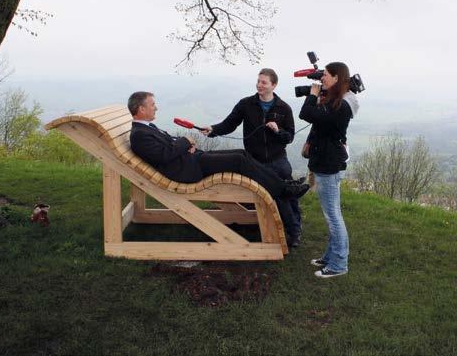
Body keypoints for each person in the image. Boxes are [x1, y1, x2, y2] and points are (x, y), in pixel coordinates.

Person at [128, 91, 310, 203]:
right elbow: (162, 155)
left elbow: (168, 146)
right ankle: (284, 191)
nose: (156, 108)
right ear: (141, 109)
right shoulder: (139, 135)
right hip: (188, 170)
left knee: (242, 154)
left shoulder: (146, 129)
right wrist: (186, 142)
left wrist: (186, 145)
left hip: (191, 159)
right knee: (239, 160)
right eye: (152, 105)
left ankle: (284, 184)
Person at [199, 68, 303, 247]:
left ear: (273, 85)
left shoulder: (284, 108)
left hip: (278, 159)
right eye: (258, 81)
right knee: (277, 190)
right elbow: (229, 124)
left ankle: (294, 230)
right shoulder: (246, 104)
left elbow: (290, 137)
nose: (259, 85)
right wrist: (213, 130)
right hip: (254, 160)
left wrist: (278, 131)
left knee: (285, 192)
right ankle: (261, 222)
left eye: (264, 82)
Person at [298, 62, 359, 278]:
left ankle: (339, 265)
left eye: (325, 75)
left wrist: (313, 94)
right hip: (325, 161)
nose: (321, 78)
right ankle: (330, 257)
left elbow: (306, 113)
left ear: (336, 78)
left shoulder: (341, 106)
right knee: (332, 214)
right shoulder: (336, 102)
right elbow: (317, 119)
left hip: (329, 164)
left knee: (333, 216)